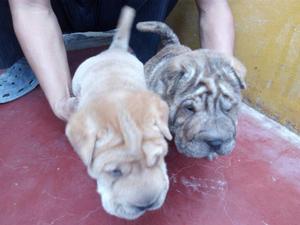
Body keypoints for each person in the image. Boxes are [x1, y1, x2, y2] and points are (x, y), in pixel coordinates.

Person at [0, 0, 234, 121]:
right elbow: (31, 7)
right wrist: (61, 101)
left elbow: (213, 7)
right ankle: (20, 59)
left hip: (129, 10)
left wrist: (219, 82)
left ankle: (136, 54)